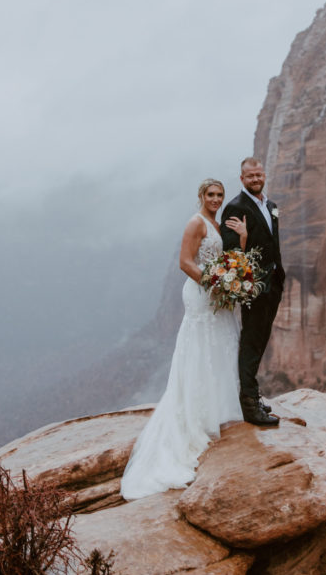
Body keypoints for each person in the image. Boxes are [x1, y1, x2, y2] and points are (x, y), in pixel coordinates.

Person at [121, 178, 247, 500]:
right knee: (201, 348)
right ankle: (195, 416)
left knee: (220, 348)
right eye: (211, 194)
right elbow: (185, 262)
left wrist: (235, 261)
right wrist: (214, 283)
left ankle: (216, 410)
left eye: (220, 194)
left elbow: (229, 259)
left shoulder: (216, 224)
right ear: (201, 196)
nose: (216, 199)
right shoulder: (195, 223)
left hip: (217, 294)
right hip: (201, 295)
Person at [220, 156, 285, 427]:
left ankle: (251, 394)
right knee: (251, 342)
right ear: (242, 179)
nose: (256, 179)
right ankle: (249, 405)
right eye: (250, 176)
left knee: (260, 341)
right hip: (253, 287)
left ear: (264, 175)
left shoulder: (271, 205)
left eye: (259, 175)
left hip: (273, 284)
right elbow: (231, 253)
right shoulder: (235, 208)